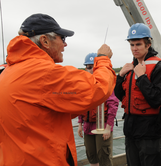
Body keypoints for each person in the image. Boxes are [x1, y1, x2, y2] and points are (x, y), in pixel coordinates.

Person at [0, 13, 116, 166]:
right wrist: (103, 59)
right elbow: (98, 88)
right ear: (45, 41)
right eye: (62, 38)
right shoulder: (43, 73)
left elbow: (46, 112)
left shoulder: (8, 72)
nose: (65, 44)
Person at [114, 23, 161, 166]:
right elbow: (121, 96)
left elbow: (156, 99)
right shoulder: (130, 68)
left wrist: (142, 78)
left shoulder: (159, 67)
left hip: (150, 132)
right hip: (131, 131)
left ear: (148, 44)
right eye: (131, 45)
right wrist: (120, 76)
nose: (134, 48)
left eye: (138, 44)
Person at [77, 53, 119, 166]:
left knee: (104, 157)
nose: (91, 70)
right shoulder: (83, 84)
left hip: (102, 126)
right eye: (88, 67)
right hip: (87, 126)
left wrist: (108, 128)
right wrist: (80, 124)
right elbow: (81, 105)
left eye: (94, 67)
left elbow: (113, 105)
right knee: (92, 157)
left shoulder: (106, 84)